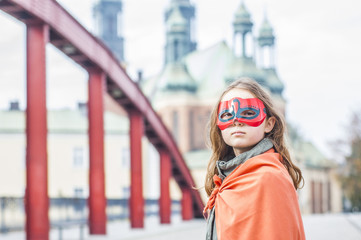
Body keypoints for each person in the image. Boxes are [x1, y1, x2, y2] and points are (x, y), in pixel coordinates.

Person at [203, 77, 305, 240]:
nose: (236, 120)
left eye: (248, 113)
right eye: (227, 114)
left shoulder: (270, 178)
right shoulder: (227, 178)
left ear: (269, 124)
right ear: (218, 125)